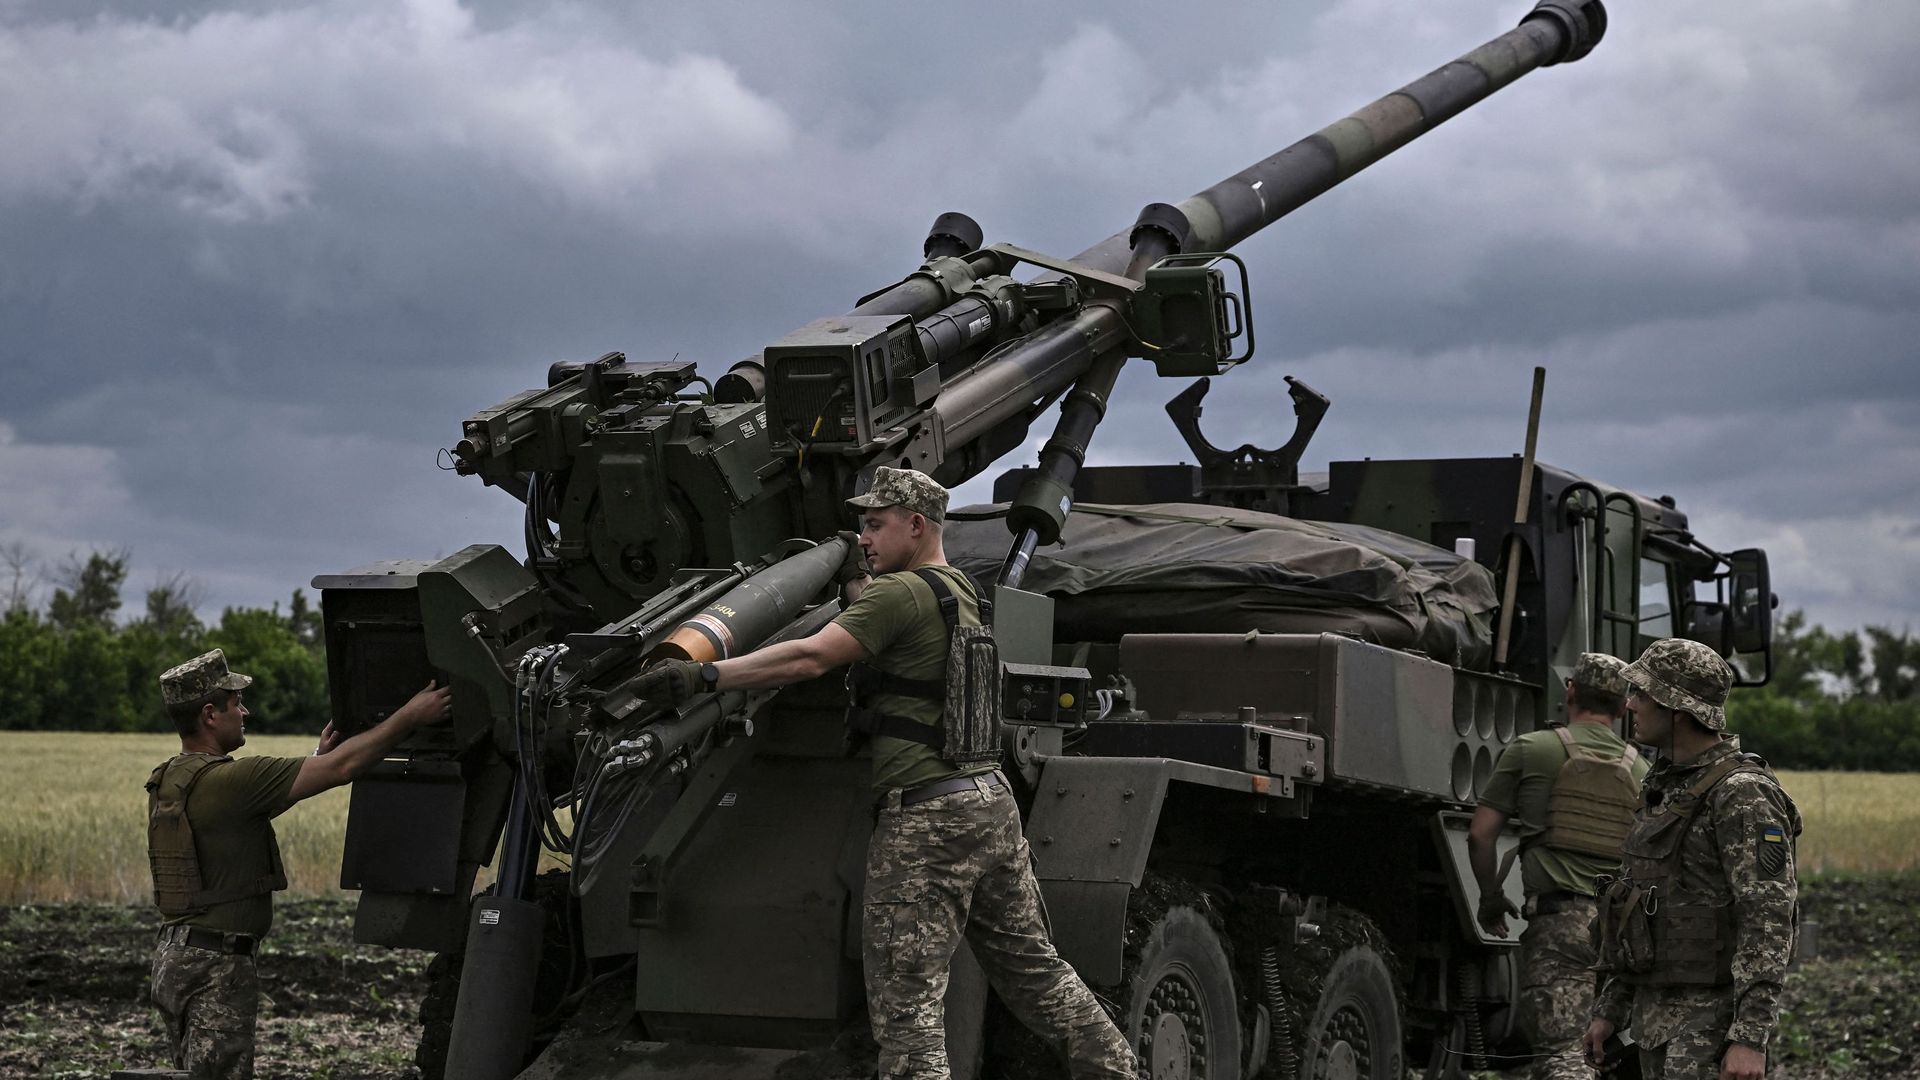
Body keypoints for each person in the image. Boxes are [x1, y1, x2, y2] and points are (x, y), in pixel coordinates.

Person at [631, 465, 1135, 1080]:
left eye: (875, 524)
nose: (864, 535)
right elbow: (881, 618)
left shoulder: (900, 595)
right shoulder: (958, 590)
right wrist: (854, 580)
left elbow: (813, 655)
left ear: (916, 525)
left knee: (908, 1011)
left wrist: (705, 675)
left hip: (926, 821)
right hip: (987, 806)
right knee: (1036, 973)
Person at [146, 648, 451, 1079]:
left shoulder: (173, 779)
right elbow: (344, 766)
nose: (245, 710)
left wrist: (315, 754)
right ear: (211, 714)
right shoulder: (235, 780)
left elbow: (242, 819)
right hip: (216, 967)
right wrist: (410, 716)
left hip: (175, 959)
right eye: (237, 704)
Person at [1581, 638, 1801, 1080]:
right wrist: (1610, 1009)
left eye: (1641, 693)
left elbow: (1769, 918)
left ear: (1675, 707)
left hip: (1708, 1029)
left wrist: (1749, 1038)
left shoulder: (1741, 792)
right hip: (1652, 1025)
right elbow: (1635, 908)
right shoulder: (1665, 788)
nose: (1629, 705)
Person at [1468, 652, 1648, 1080]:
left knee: (1566, 1054)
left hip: (1559, 925)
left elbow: (1479, 836)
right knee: (1615, 1055)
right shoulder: (1641, 768)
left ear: (1570, 692)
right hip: (1623, 930)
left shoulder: (1533, 750)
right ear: (1623, 707)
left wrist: (1491, 899)